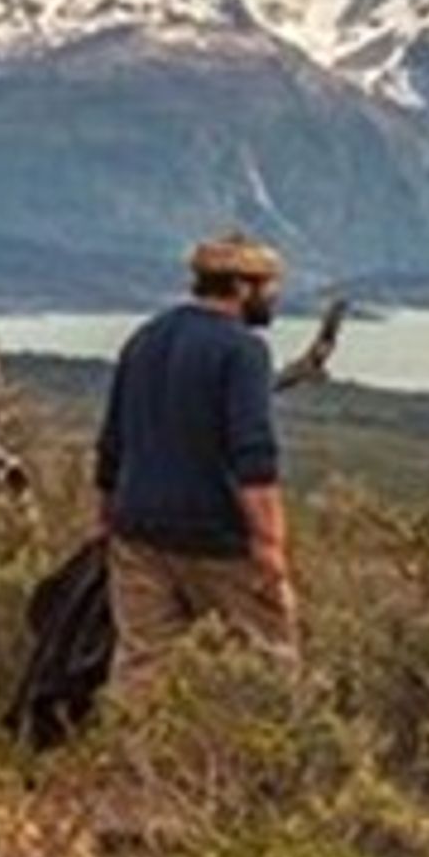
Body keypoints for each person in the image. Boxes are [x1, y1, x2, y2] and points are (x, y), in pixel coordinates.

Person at [91, 231, 300, 668]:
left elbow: (112, 444)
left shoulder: (145, 338)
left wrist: (108, 518)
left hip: (138, 532)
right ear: (242, 287)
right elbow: (254, 456)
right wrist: (269, 546)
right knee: (266, 667)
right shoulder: (243, 350)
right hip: (216, 538)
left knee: (144, 667)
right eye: (269, 286)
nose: (275, 297)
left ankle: (134, 740)